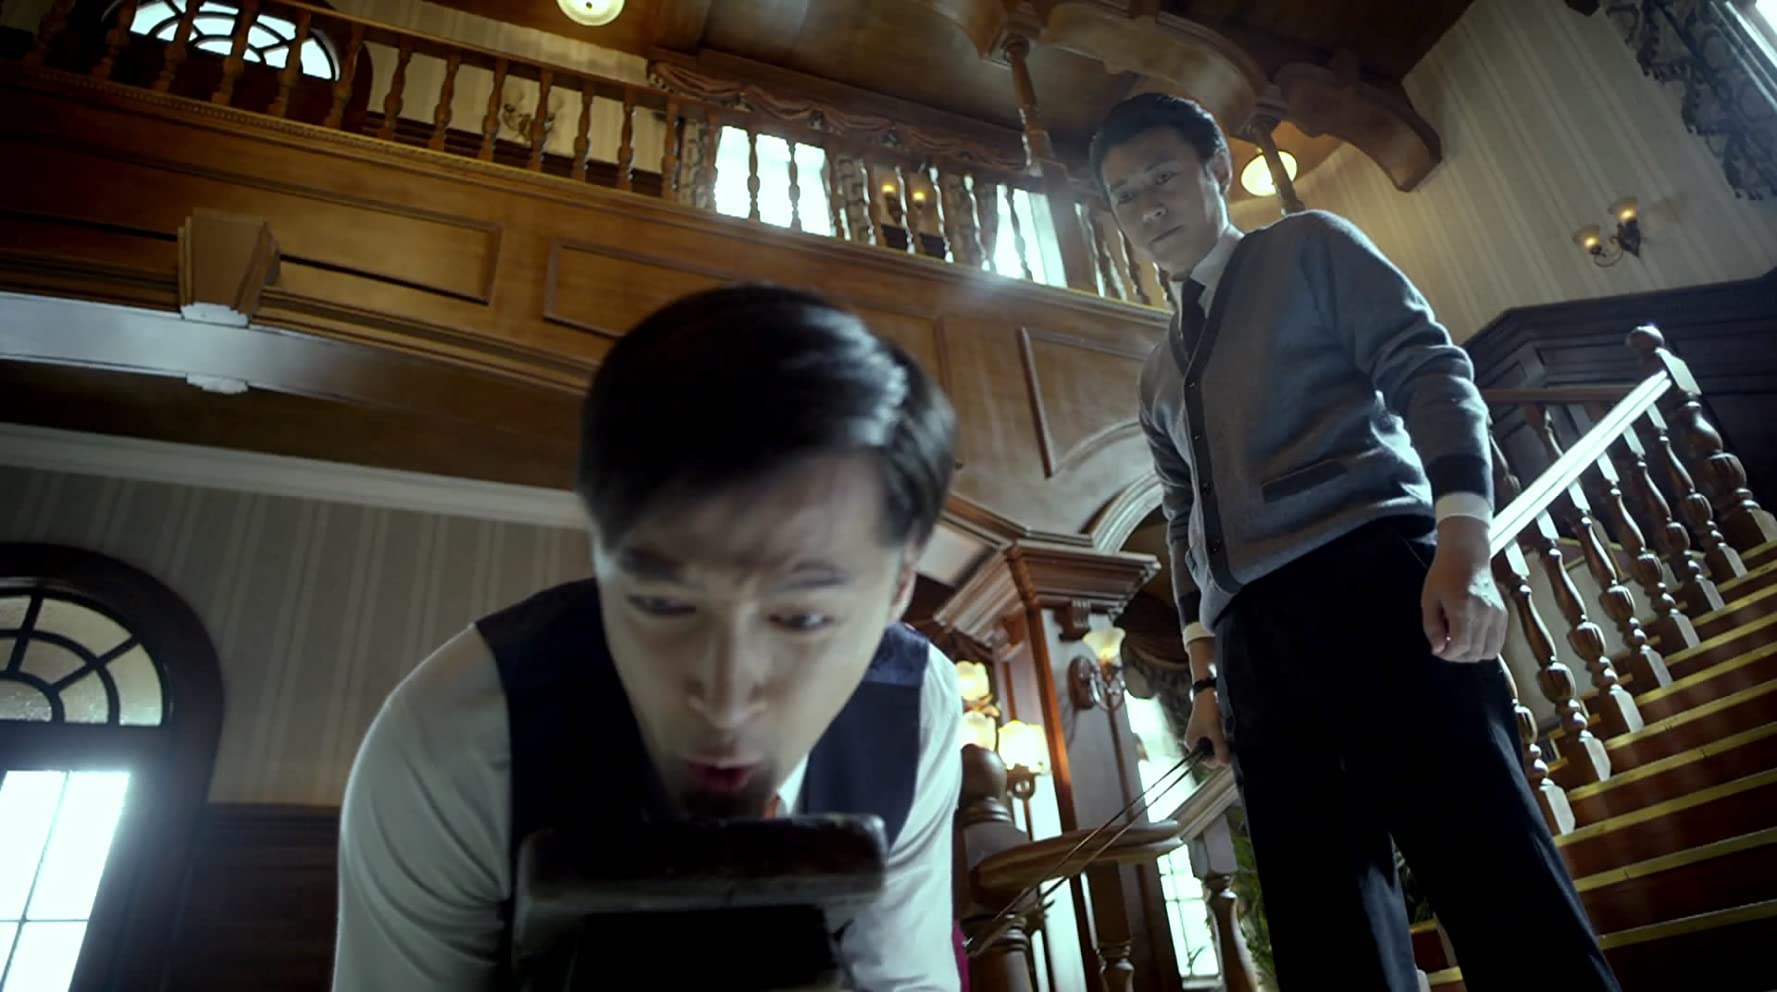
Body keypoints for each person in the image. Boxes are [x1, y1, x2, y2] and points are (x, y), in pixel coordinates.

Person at [1090, 94, 1620, 992]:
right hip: (1255, 654)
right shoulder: (1156, 373)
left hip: (1374, 586)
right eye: (1124, 195)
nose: (1146, 207)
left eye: (1162, 178)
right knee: (1323, 932)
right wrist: (1207, 678)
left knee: (1492, 876)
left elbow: (1430, 369)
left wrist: (1464, 544)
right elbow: (1184, 521)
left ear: (1216, 170)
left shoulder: (1308, 247)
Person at [332, 285, 964, 991]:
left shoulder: (914, 711)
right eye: (662, 603)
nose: (723, 701)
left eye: (802, 618)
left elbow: (905, 978)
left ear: (899, 587)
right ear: (599, 555)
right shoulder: (454, 742)